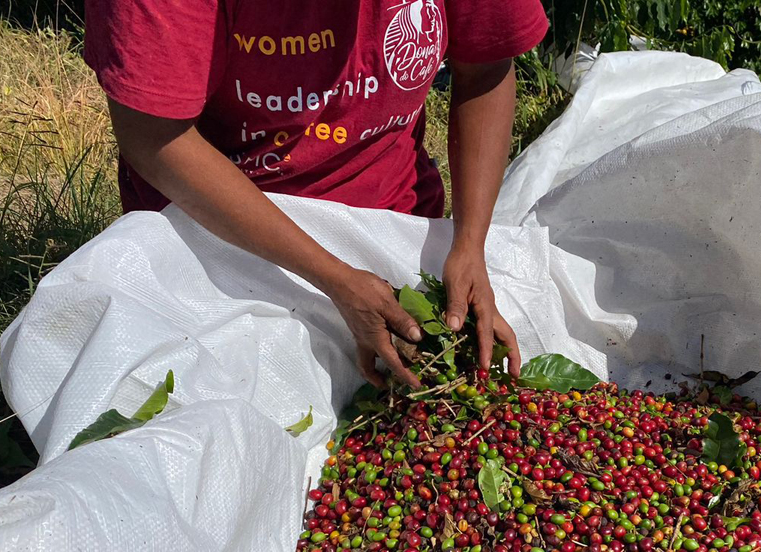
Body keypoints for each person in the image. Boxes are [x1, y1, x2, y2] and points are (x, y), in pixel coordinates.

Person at [83, 0, 550, 388]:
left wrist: (469, 244)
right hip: (219, 242)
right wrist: (334, 279)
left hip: (391, 226)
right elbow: (154, 139)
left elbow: (487, 66)